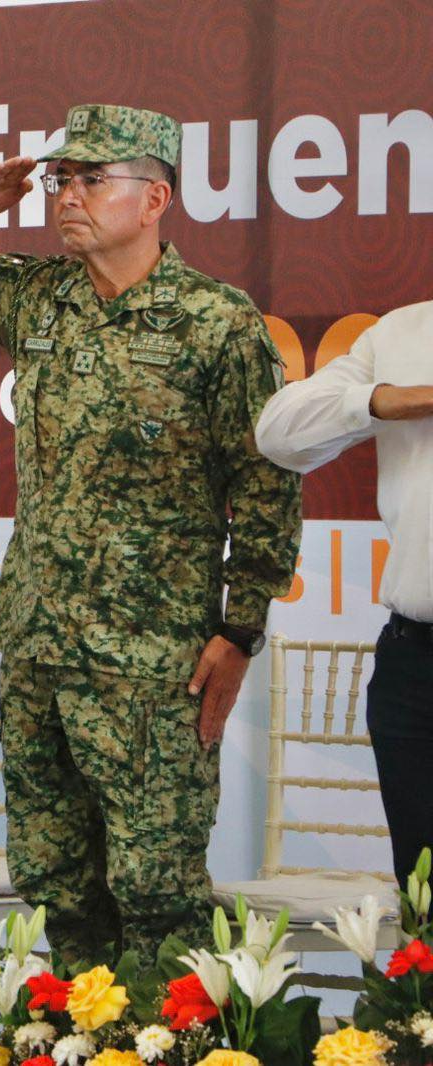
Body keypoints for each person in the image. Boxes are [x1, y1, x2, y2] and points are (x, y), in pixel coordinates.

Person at [0, 105, 302, 962]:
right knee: (52, 884)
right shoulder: (40, 295)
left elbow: (265, 485)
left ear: (155, 198)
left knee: (156, 895)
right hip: (39, 644)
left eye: (91, 178)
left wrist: (239, 629)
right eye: (59, 178)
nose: (66, 195)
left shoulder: (217, 323)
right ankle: (78, 1042)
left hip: (153, 659)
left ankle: (161, 1046)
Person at [256, 302, 433, 886]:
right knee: (425, 899)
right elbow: (279, 433)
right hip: (419, 664)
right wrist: (389, 399)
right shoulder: (405, 333)